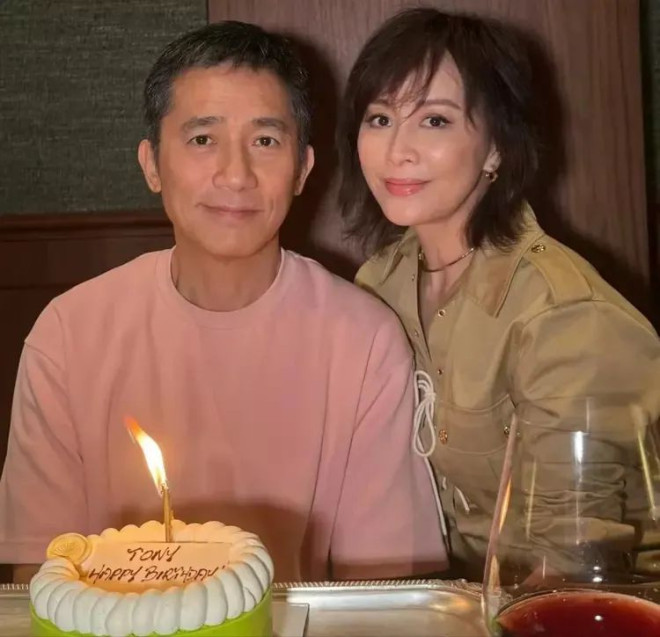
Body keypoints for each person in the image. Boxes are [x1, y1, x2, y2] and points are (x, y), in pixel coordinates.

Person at [0, 21, 448, 583]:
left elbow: (384, 593)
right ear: (151, 164)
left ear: (303, 169)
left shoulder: (364, 341)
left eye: (265, 141)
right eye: (202, 140)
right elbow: (39, 579)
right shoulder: (68, 334)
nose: (236, 175)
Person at [338, 7, 660, 581]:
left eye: (434, 121)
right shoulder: (378, 285)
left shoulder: (566, 317)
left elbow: (572, 562)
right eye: (380, 118)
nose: (397, 149)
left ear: (496, 148)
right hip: (456, 596)